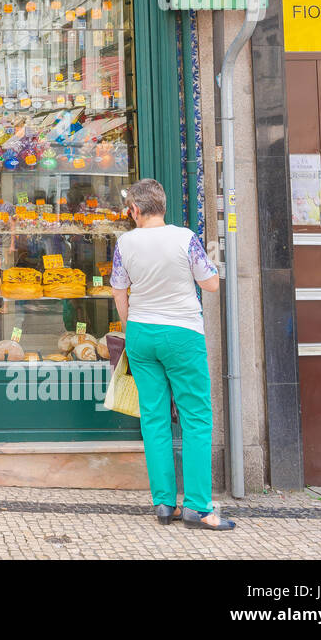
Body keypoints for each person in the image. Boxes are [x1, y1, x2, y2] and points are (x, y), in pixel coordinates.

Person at [109, 179, 231, 531]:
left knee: (154, 419)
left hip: (142, 334)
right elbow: (210, 283)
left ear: (134, 210)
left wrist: (130, 327)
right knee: (196, 418)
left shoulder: (125, 242)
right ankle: (197, 507)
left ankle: (164, 505)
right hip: (182, 334)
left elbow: (119, 289)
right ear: (162, 206)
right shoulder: (185, 238)